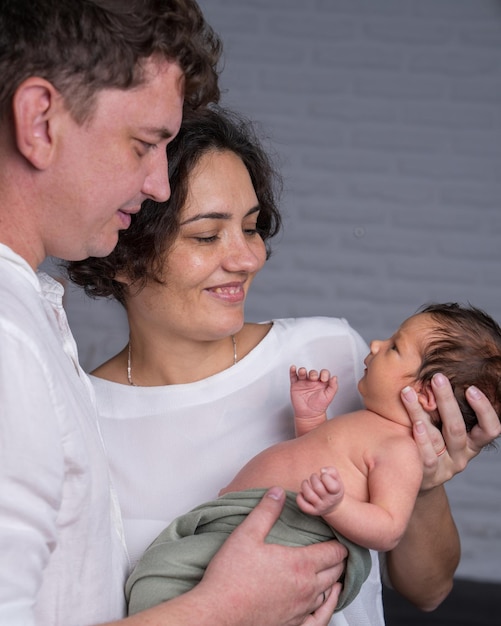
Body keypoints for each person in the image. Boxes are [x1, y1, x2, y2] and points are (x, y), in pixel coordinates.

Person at [66, 105, 501, 626]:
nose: (248, 258)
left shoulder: (332, 355)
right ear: (123, 252)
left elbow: (428, 591)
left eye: (251, 228)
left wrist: (427, 482)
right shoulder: (80, 416)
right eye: (207, 236)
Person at [0, 2, 346, 626]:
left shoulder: (33, 320)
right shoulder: (8, 341)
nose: (159, 184)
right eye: (143, 143)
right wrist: (224, 608)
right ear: (40, 121)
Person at [124, 302, 501, 617]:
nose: (375, 344)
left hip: (291, 534)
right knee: (161, 573)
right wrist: (311, 418)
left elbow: (388, 528)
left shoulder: (401, 450)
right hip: (243, 521)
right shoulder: (368, 425)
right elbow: (323, 461)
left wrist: (335, 507)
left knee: (165, 583)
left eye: (394, 347)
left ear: (425, 395)